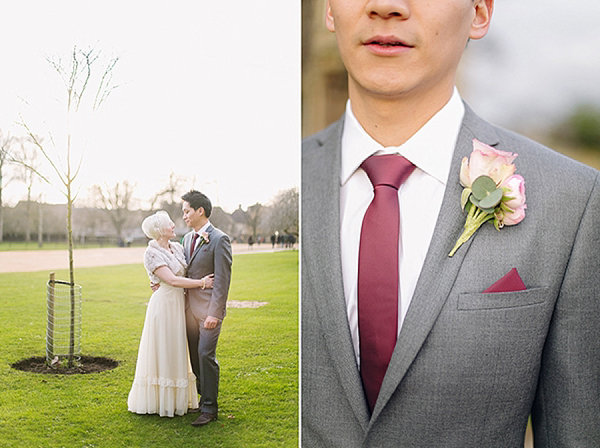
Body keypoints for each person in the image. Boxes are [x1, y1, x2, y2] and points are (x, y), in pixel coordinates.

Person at [301, 0, 600, 446]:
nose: (386, 6)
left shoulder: (573, 200)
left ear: (479, 12)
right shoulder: (282, 178)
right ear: (329, 10)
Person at [128, 211, 213, 417]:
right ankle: (160, 401)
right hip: (164, 305)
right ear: (159, 230)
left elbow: (191, 259)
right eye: (169, 224)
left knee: (176, 348)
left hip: (179, 306)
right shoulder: (151, 253)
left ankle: (177, 399)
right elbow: (173, 280)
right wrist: (202, 283)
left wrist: (205, 241)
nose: (174, 226)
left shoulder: (177, 247)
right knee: (164, 348)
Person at [181, 190, 233, 427]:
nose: (184, 216)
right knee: (193, 357)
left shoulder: (220, 239)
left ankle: (210, 409)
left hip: (209, 313)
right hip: (188, 311)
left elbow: (222, 280)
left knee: (205, 355)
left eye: (187, 211)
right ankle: (203, 400)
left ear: (199, 211)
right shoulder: (186, 239)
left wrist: (215, 313)